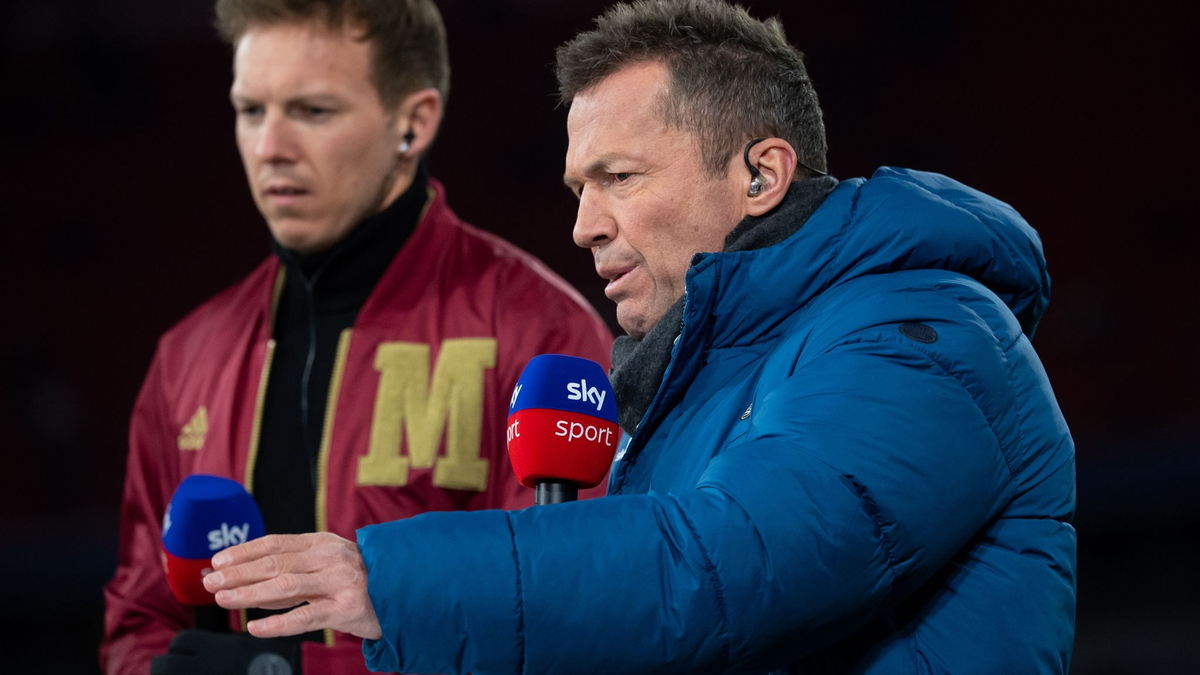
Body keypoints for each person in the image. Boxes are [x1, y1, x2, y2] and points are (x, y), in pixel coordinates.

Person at [202, 1, 1078, 673]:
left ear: (760, 174)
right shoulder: (698, 381)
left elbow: (723, 568)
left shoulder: (923, 335)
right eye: (579, 187)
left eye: (619, 177)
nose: (584, 225)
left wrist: (392, 579)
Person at [99, 0, 614, 673]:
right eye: (251, 110)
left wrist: (296, 672)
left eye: (313, 111)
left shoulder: (543, 334)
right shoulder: (185, 356)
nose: (269, 147)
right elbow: (138, 621)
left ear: (414, 121)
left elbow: (574, 623)